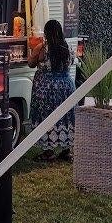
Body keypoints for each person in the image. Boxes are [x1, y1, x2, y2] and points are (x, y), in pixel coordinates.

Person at [28, 19, 75, 160]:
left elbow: (30, 63)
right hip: (66, 86)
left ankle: (48, 152)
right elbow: (71, 62)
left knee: (46, 117)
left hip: (47, 88)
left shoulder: (42, 48)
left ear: (47, 33)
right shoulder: (68, 47)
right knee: (66, 117)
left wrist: (32, 49)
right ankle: (67, 150)